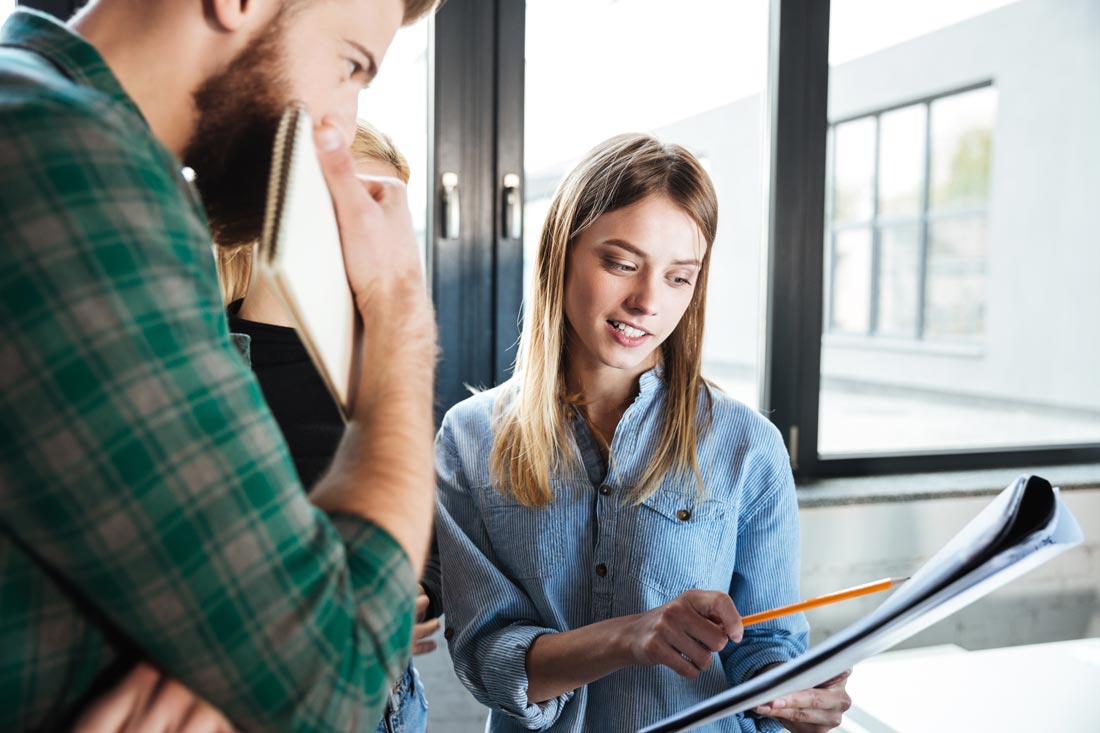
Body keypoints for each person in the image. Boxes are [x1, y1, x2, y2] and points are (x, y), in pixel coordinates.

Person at [0, 1, 438, 731]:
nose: (338, 119)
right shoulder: (70, 164)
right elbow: (342, 678)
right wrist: (401, 320)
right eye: (351, 65)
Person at [434, 133, 852, 732]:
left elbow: (767, 642)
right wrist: (629, 635)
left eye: (679, 277)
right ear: (561, 254)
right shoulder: (469, 439)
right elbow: (487, 660)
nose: (646, 301)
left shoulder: (748, 446)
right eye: (622, 263)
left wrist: (795, 699)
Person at [220, 120, 441, 733]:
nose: (387, 243)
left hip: (392, 702)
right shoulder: (213, 368)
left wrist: (422, 592)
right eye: (367, 205)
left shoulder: (377, 363)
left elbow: (426, 522)